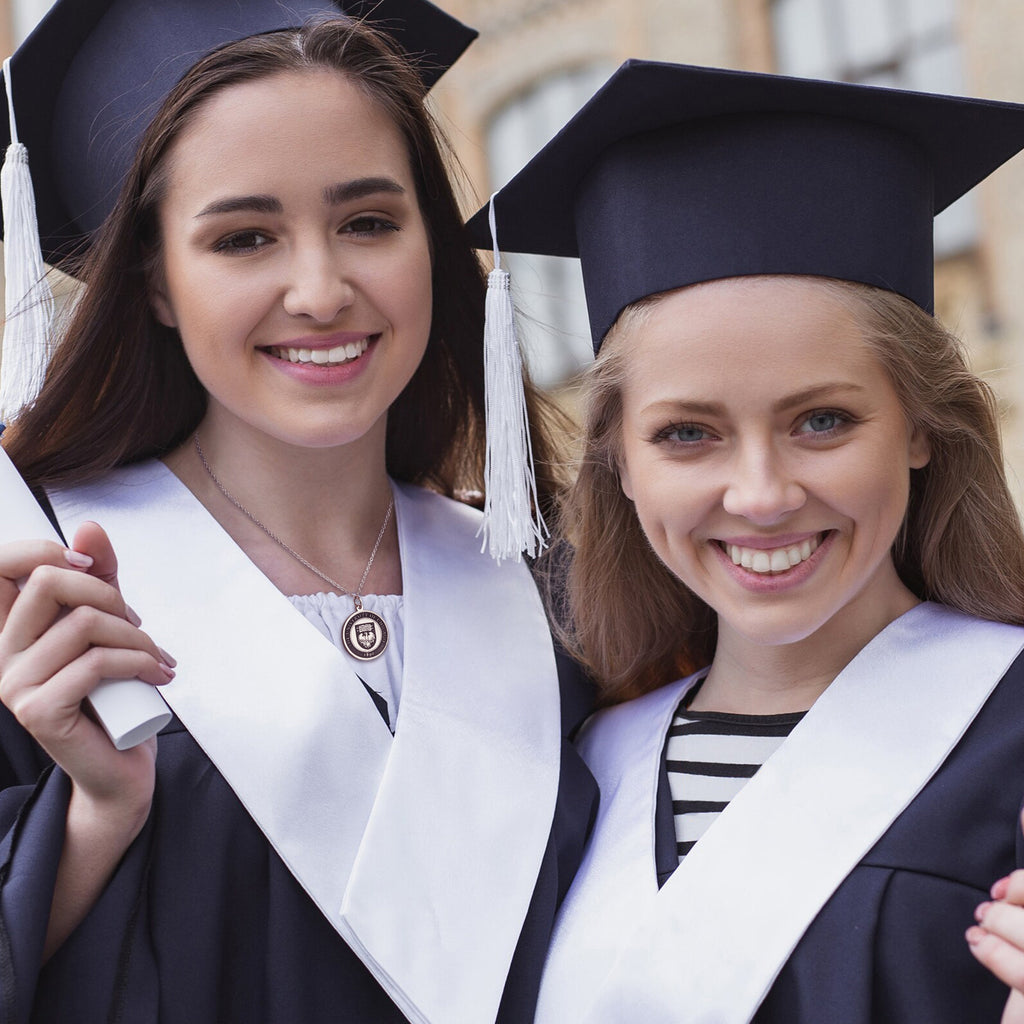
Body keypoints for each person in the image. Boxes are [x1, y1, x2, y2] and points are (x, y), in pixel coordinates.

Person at [0, 3, 597, 1023]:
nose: (320, 290)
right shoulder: (42, 602)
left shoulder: (562, 604)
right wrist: (97, 816)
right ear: (153, 279)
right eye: (244, 238)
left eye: (368, 222)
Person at [469, 60, 1024, 1022]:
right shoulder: (583, 773)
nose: (762, 495)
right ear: (619, 463)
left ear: (924, 426)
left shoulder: (1007, 726)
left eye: (822, 422)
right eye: (688, 434)